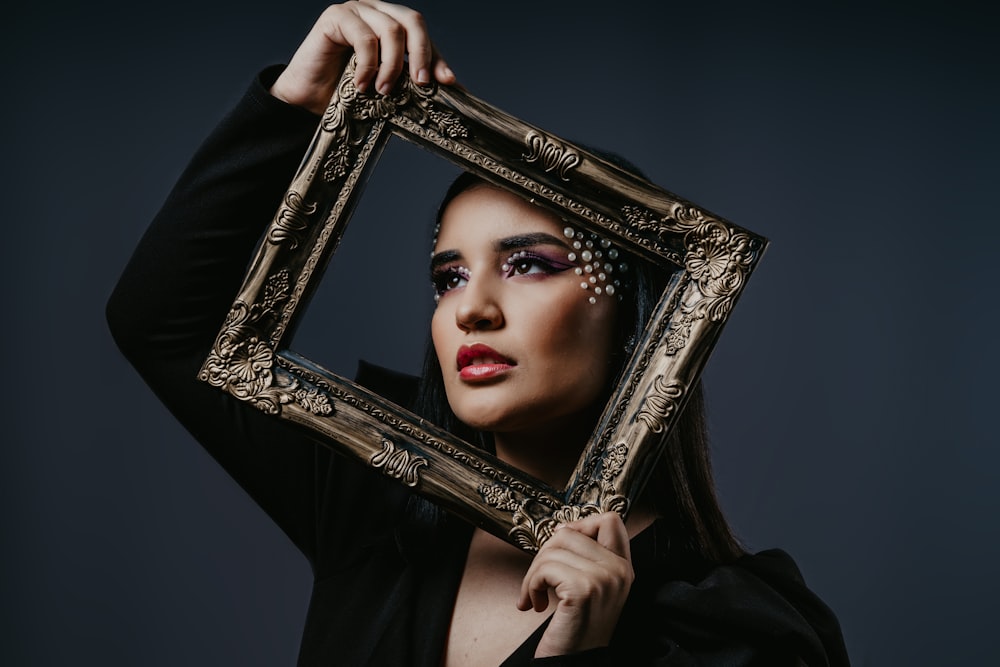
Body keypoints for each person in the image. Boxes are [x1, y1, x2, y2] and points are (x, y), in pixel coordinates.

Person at [106, 2, 850, 664]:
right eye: (448, 277)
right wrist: (296, 105)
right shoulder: (375, 496)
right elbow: (164, 324)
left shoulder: (735, 627)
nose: (471, 309)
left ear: (643, 318)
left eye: (528, 265)